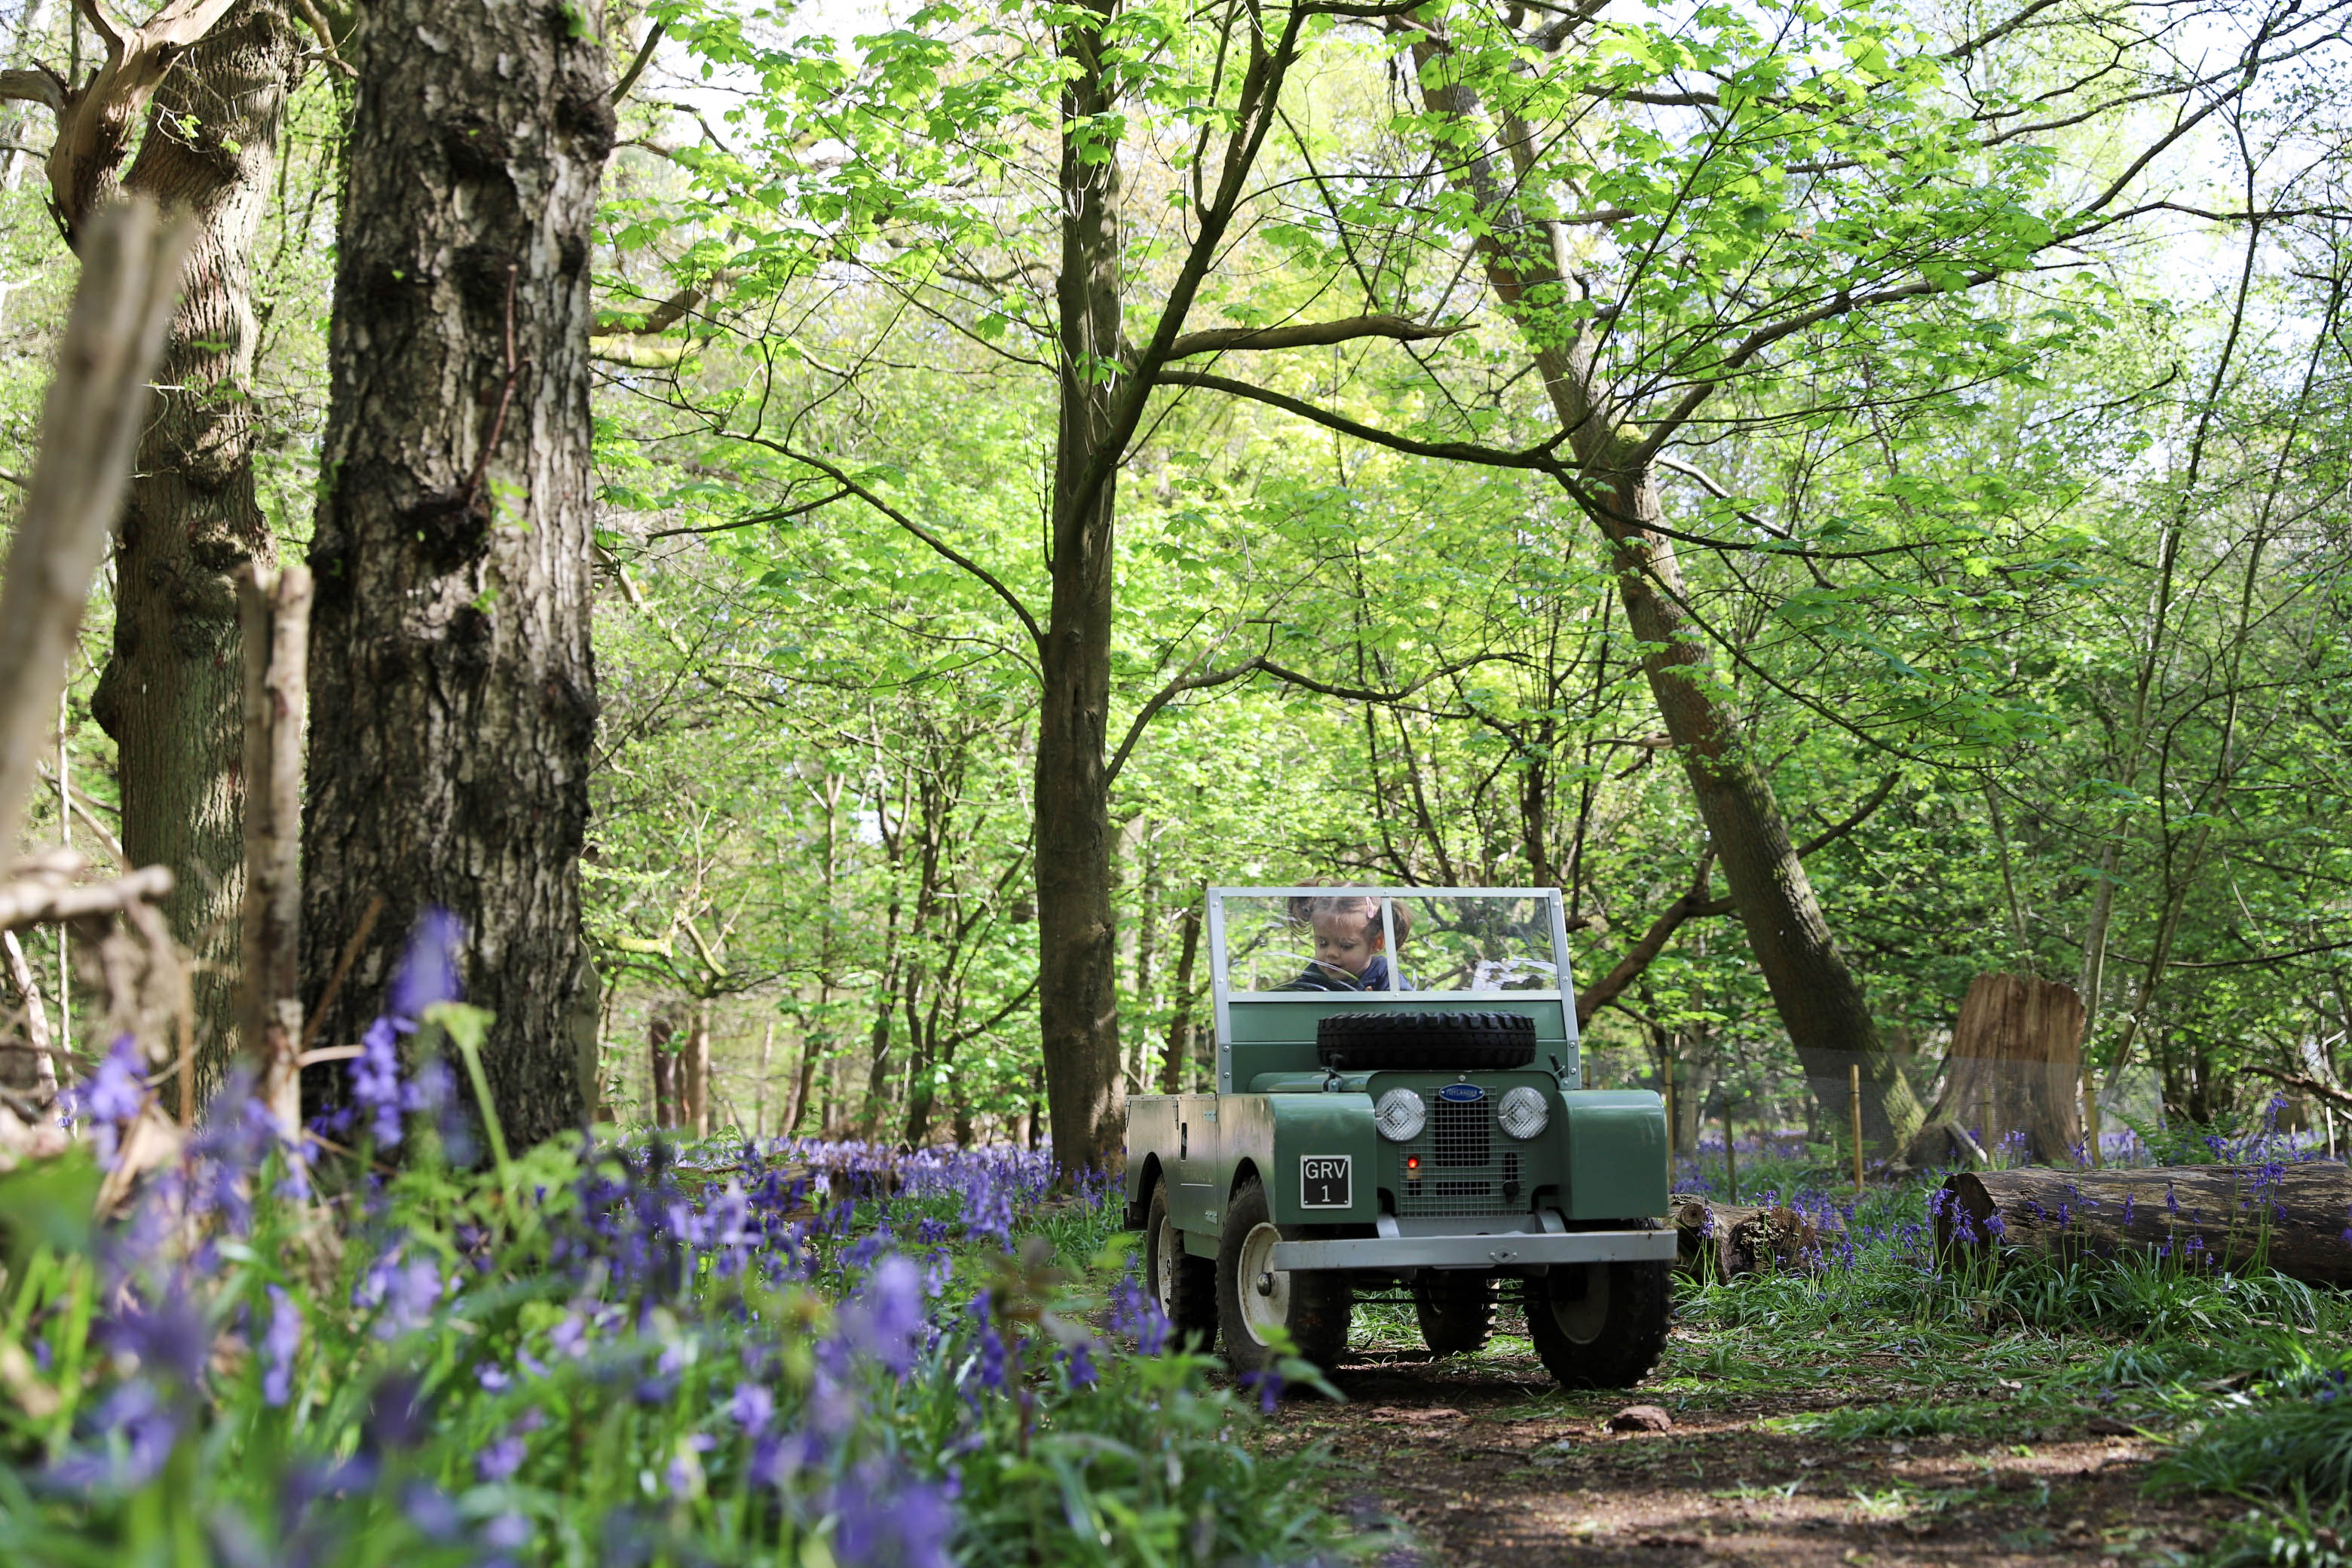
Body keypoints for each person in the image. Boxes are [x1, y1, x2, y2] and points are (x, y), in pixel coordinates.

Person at [1282, 892, 1411, 991]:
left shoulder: (1389, 979)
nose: (1331, 953)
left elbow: (1410, 1013)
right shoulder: (1310, 980)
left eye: (1346, 946)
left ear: (1376, 943)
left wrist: (1378, 1010)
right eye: (1322, 944)